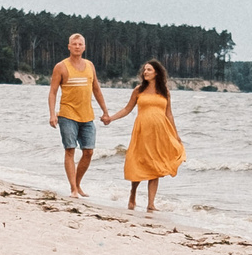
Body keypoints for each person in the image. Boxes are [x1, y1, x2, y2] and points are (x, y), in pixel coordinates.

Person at [105, 59, 184, 212]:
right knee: (139, 162)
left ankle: (151, 203)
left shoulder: (164, 91)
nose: (145, 72)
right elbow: (127, 109)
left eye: (149, 70)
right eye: (144, 70)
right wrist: (110, 118)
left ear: (156, 73)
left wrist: (176, 134)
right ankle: (133, 193)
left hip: (160, 133)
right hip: (142, 131)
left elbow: (169, 114)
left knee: (156, 166)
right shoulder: (138, 90)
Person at [47, 33, 112, 197]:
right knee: (70, 149)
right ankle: (73, 189)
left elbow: (96, 89)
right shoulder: (61, 67)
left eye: (80, 44)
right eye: (74, 44)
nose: (77, 46)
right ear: (69, 46)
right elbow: (53, 92)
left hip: (87, 116)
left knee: (88, 152)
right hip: (67, 114)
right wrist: (52, 114)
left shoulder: (90, 65)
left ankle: (77, 183)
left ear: (84, 47)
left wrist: (105, 111)